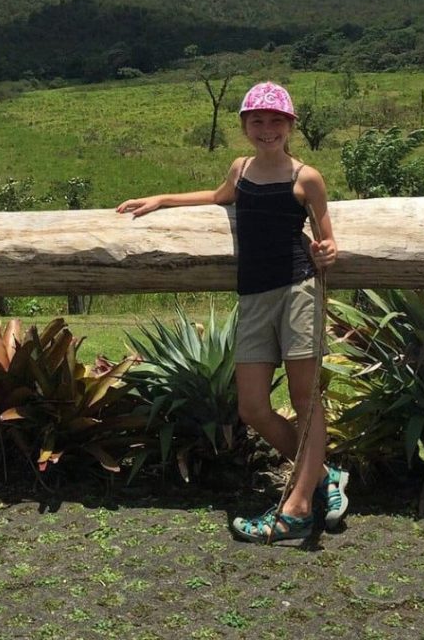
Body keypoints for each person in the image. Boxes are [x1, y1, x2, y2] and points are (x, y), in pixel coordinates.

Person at [116, 81, 349, 543]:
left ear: (290, 126)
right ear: (245, 126)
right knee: (252, 407)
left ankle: (298, 508)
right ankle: (324, 475)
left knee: (305, 400)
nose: (267, 129)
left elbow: (327, 236)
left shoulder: (307, 177)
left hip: (298, 291)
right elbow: (219, 195)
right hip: (254, 296)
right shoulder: (241, 170)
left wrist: (328, 251)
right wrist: (162, 199)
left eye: (276, 121)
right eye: (257, 121)